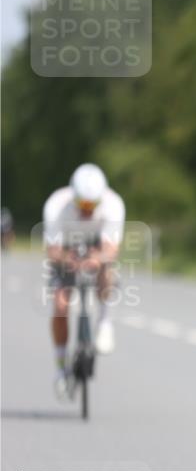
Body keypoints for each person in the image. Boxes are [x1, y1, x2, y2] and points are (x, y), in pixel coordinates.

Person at [43, 163, 126, 398]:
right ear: (73, 198)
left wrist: (97, 260)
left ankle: (104, 322)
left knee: (107, 273)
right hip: (66, 250)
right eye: (83, 205)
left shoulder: (113, 204)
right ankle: (60, 369)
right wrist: (66, 260)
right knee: (60, 306)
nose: (88, 211)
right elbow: (53, 250)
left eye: (93, 205)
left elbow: (111, 249)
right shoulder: (56, 205)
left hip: (96, 247)